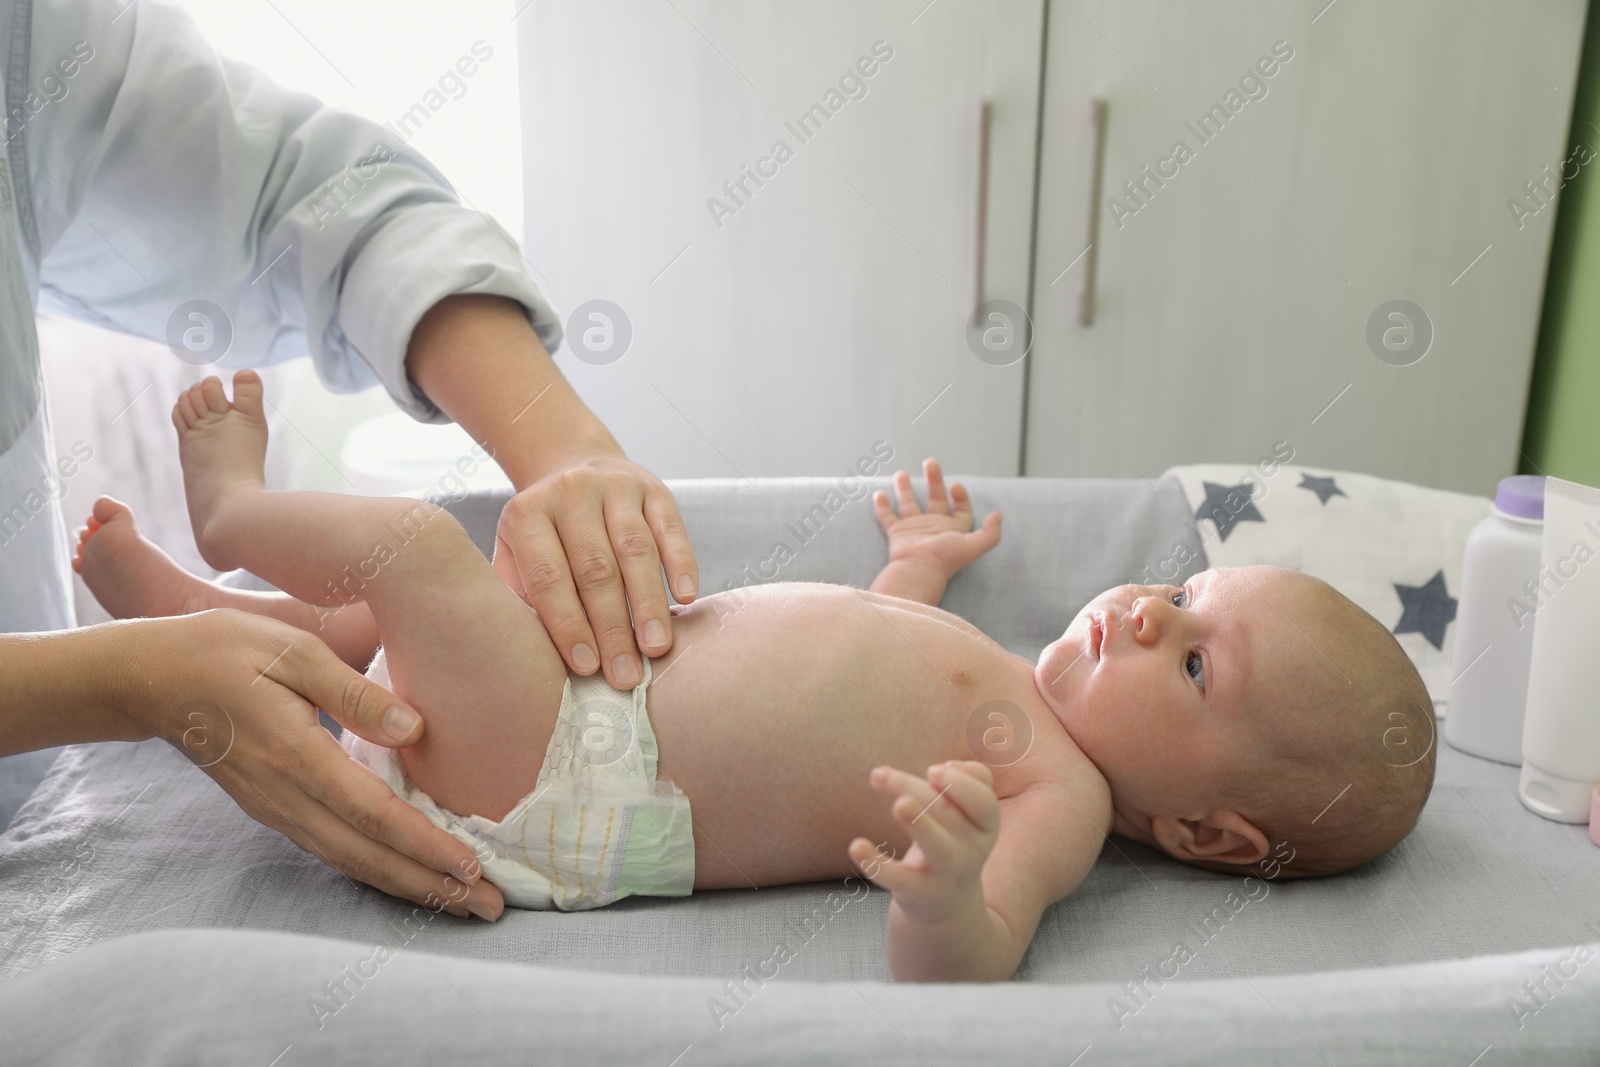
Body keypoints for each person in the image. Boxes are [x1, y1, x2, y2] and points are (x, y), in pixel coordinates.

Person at [78, 371, 1438, 976]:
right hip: (578, 709)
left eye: (1195, 657)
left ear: (1207, 829)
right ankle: (198, 619)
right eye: (1182, 590)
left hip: (571, 775)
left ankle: (234, 515)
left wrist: (951, 889)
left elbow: (969, 961)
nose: (1144, 609)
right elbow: (866, 642)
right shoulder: (1012, 679)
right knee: (415, 629)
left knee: (423, 552)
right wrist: (915, 558)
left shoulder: (1062, 803)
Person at [0, 0, 698, 921]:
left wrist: (565, 444)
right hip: (596, 752)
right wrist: (116, 681)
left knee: (409, 567)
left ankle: (227, 524)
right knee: (371, 626)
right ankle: (180, 613)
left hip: (575, 764)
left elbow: (299, 195)